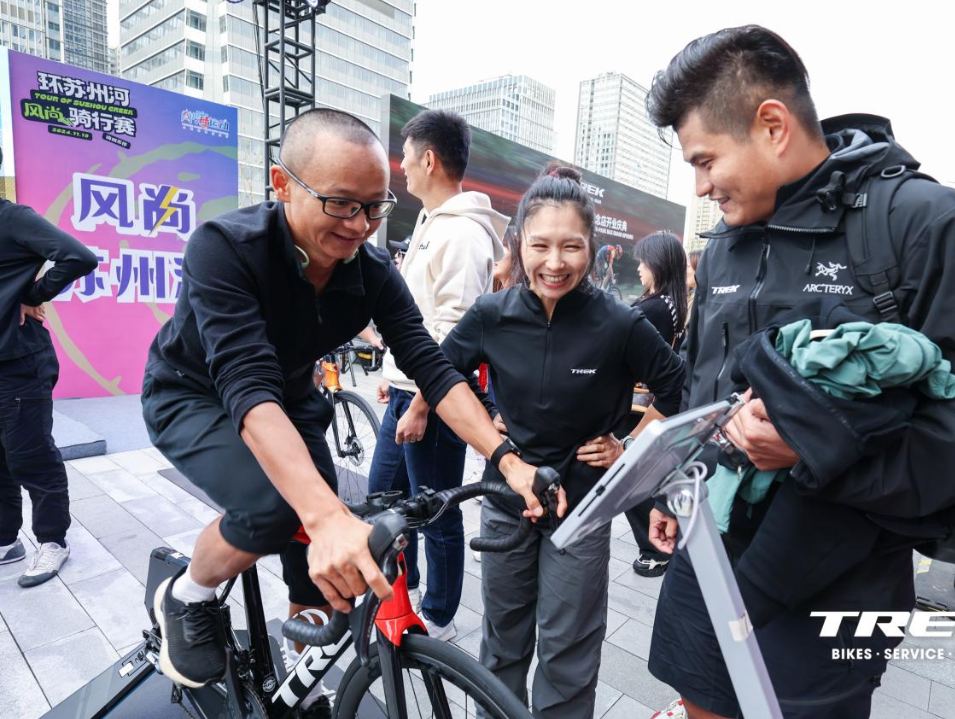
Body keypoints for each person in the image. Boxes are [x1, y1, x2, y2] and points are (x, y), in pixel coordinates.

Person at [643, 26, 955, 719]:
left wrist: (820, 449)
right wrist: (676, 486)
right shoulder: (722, 245)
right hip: (709, 553)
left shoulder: (926, 224)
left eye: (706, 160)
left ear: (772, 125)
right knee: (700, 703)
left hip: (838, 579)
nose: (700, 185)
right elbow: (705, 386)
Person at [141, 109, 544, 712]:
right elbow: (246, 384)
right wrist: (325, 515)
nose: (360, 225)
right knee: (279, 508)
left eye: (375, 207)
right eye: (340, 204)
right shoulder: (224, 248)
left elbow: (433, 368)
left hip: (291, 400)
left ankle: (299, 681)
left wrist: (507, 460)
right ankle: (186, 595)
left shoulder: (372, 271)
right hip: (193, 394)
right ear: (283, 185)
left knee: (323, 569)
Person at [408, 165, 684, 719]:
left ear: (592, 248)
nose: (554, 262)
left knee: (569, 651)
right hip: (506, 499)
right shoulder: (492, 314)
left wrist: (628, 446)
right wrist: (488, 417)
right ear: (519, 244)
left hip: (582, 508)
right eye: (540, 245)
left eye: (571, 246)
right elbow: (441, 372)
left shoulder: (619, 322)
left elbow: (680, 387)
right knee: (502, 642)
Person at [370, 109, 509, 641]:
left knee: (436, 511)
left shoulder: (464, 234)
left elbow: (456, 332)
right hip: (407, 394)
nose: (402, 167)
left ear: (428, 159)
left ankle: (440, 617)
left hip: (433, 401)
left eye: (406, 157)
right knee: (384, 501)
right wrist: (394, 374)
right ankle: (399, 595)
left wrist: (423, 403)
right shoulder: (433, 223)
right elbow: (419, 318)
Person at [0, 147, 97, 587]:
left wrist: (33, 294)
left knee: (30, 455)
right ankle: (6, 540)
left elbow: (79, 256)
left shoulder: (13, 218)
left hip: (20, 362)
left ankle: (53, 540)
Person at [616, 230, 687, 577]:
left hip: (639, 407)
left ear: (657, 264)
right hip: (650, 403)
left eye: (643, 262)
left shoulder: (653, 307)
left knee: (631, 477)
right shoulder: (672, 304)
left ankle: (655, 547)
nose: (639, 268)